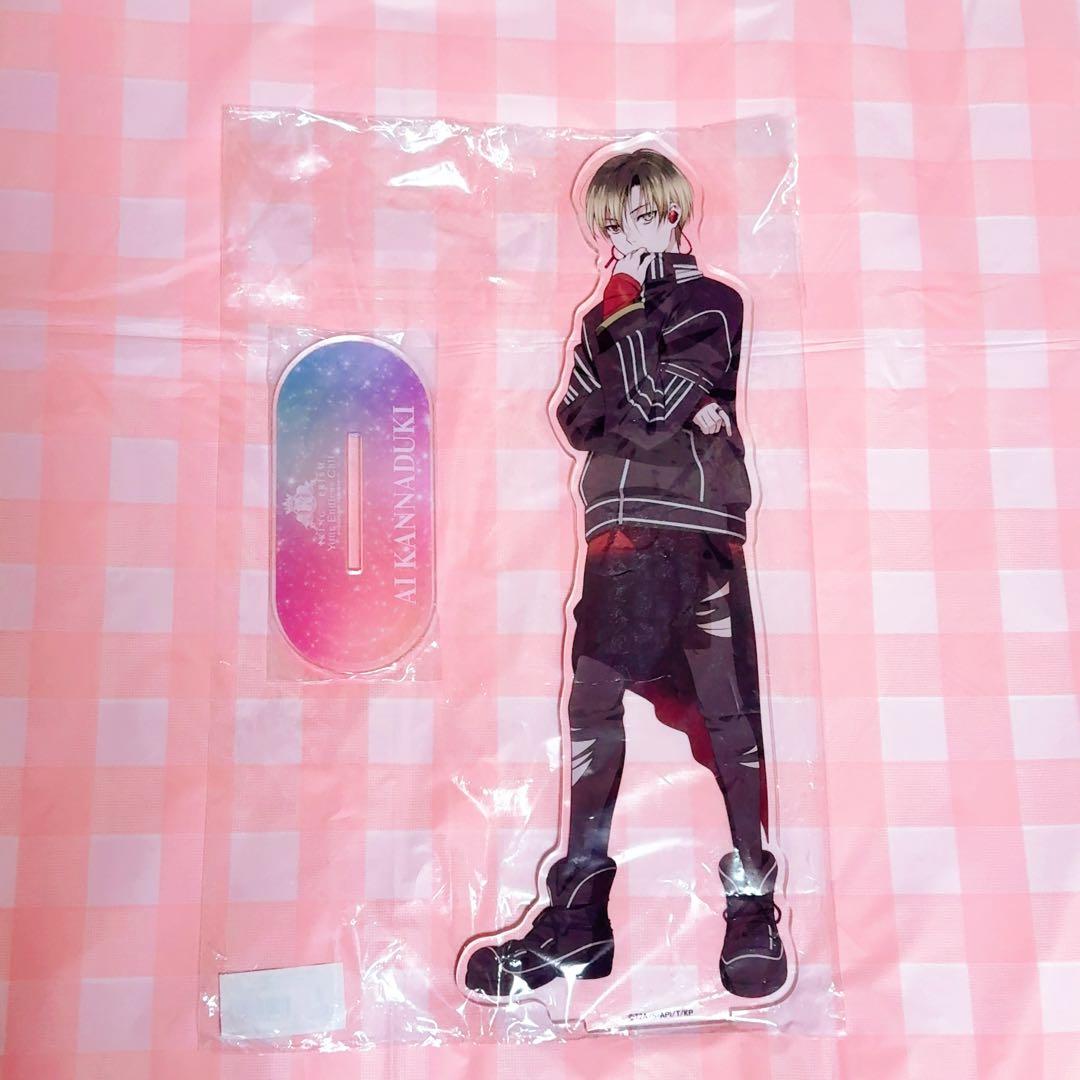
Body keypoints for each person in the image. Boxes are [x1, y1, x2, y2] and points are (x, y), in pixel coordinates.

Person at [464, 149, 786, 1000]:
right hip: (617, 532)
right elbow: (578, 418)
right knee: (592, 705)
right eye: (613, 222)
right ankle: (579, 917)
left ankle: (753, 901)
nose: (626, 236)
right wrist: (652, 378)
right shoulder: (603, 313)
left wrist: (632, 324)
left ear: (674, 211)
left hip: (698, 532)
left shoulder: (712, 304)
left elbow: (639, 413)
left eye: (641, 216)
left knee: (727, 713)